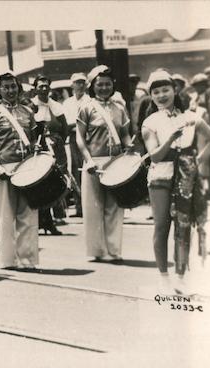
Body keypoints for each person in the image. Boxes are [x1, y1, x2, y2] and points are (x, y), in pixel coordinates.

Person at [141, 70, 210, 294]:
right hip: (161, 176)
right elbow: (155, 156)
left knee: (183, 227)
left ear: (174, 90)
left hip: (185, 177)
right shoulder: (149, 122)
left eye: (165, 90)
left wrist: (196, 160)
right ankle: (164, 277)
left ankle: (180, 277)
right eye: (156, 92)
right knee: (162, 226)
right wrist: (171, 139)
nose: (161, 95)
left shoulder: (189, 116)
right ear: (151, 96)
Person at [0, 71, 40, 269]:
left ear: (19, 88)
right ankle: (8, 260)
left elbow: (33, 140)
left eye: (13, 86)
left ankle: (28, 259)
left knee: (28, 214)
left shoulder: (28, 112)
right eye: (6, 87)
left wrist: (36, 149)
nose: (10, 91)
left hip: (27, 168)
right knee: (5, 216)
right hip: (5, 168)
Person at [76, 65, 132, 262]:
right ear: (93, 86)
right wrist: (88, 160)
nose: (104, 88)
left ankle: (114, 250)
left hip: (116, 162)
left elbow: (125, 135)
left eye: (108, 84)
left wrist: (130, 147)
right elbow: (80, 138)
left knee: (115, 207)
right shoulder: (86, 107)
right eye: (100, 84)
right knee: (93, 207)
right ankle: (96, 251)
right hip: (95, 164)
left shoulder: (120, 108)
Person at [31, 75, 69, 235]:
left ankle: (52, 220)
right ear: (35, 88)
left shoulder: (56, 106)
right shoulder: (31, 105)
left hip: (55, 146)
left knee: (54, 183)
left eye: (46, 86)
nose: (44, 89)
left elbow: (65, 127)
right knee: (39, 184)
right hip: (39, 147)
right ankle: (41, 220)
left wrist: (58, 141)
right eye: (41, 86)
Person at [63, 72, 91, 218]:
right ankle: (79, 207)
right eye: (77, 82)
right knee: (75, 170)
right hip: (72, 138)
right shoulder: (67, 103)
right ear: (72, 85)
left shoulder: (89, 101)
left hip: (88, 138)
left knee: (87, 169)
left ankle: (88, 206)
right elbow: (66, 123)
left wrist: (76, 124)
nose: (79, 85)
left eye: (82, 82)